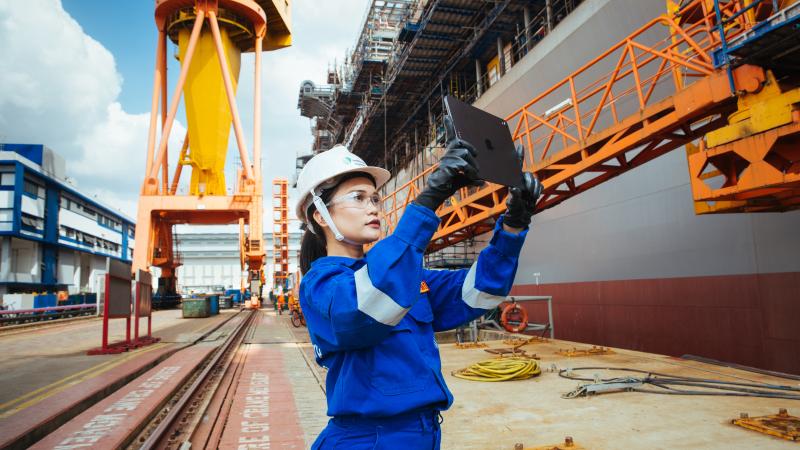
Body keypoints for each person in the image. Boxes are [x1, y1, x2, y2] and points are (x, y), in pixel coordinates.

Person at [295, 118, 542, 449]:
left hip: (423, 433)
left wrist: (513, 226)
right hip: (369, 440)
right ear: (320, 215)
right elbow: (367, 303)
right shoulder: (320, 285)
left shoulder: (405, 276)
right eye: (358, 197)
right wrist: (429, 199)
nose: (372, 208)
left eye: (375, 199)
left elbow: (480, 292)